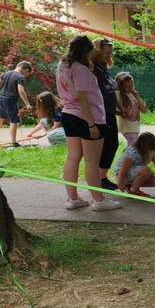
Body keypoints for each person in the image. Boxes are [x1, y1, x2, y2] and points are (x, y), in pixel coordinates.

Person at [56, 35, 120, 210]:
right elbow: (82, 98)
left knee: (72, 157)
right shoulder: (81, 70)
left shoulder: (63, 65)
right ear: (85, 51)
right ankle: (98, 200)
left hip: (69, 114)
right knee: (92, 161)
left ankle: (72, 199)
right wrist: (91, 124)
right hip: (87, 116)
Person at [91, 38, 121, 192]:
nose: (109, 56)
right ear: (97, 51)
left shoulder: (104, 67)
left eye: (110, 53)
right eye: (106, 52)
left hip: (109, 112)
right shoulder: (93, 69)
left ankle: (102, 177)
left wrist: (119, 108)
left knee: (112, 144)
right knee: (106, 146)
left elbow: (111, 92)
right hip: (100, 113)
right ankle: (99, 179)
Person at [113, 131, 155, 196]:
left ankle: (131, 186)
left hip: (136, 172)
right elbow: (123, 169)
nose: (150, 151)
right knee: (146, 170)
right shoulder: (132, 153)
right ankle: (133, 190)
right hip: (122, 173)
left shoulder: (150, 152)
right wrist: (120, 182)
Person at [0, 61, 34, 147]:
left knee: (0, 116)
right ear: (26, 70)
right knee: (13, 120)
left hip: (1, 98)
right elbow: (21, 90)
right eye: (28, 74)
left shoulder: (6, 73)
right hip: (10, 100)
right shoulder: (21, 77)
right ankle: (13, 143)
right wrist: (27, 104)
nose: (26, 76)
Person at [114, 72, 146, 147]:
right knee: (136, 147)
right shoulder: (118, 94)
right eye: (127, 86)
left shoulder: (133, 94)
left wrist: (136, 96)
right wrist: (121, 113)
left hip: (135, 127)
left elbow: (144, 110)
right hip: (127, 128)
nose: (130, 88)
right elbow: (112, 109)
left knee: (130, 149)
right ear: (121, 86)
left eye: (131, 85)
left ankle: (123, 159)